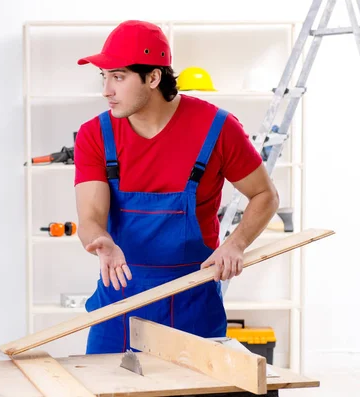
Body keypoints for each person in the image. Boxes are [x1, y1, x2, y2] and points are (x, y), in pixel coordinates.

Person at [74, 20, 280, 354]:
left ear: (153, 77)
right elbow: (91, 217)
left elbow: (265, 194)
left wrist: (236, 244)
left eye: (119, 76)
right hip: (119, 303)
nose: (106, 90)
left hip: (192, 302)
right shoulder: (95, 134)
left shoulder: (217, 128)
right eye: (105, 76)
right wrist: (101, 241)